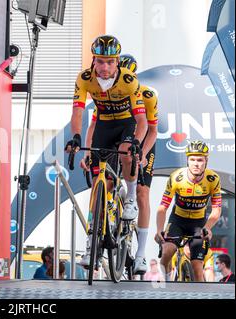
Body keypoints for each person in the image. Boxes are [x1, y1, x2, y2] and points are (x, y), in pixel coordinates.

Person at [65, 35, 148, 266]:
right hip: (103, 124)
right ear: (94, 61)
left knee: (127, 152)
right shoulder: (84, 78)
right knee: (99, 184)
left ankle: (130, 197)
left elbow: (142, 121)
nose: (105, 67)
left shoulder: (129, 80)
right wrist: (77, 138)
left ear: (117, 61)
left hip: (126, 124)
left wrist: (136, 143)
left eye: (110, 62)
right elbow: (78, 113)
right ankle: (92, 242)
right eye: (100, 61)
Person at [82, 54, 158, 274]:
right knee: (102, 182)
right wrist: (87, 153)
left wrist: (142, 154)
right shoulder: (107, 95)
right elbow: (93, 126)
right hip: (115, 138)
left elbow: (152, 131)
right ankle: (96, 233)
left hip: (142, 141)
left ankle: (142, 255)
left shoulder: (147, 95)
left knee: (142, 193)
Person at [155, 141, 222, 282]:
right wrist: (159, 230)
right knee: (167, 252)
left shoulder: (213, 179)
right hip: (177, 220)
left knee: (197, 266)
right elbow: (163, 207)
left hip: (198, 224)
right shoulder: (176, 177)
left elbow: (216, 210)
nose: (196, 163)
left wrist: (207, 228)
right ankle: (165, 282)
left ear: (206, 161)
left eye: (200, 160)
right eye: (192, 159)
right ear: (187, 160)